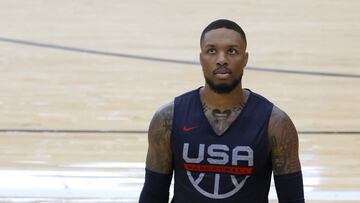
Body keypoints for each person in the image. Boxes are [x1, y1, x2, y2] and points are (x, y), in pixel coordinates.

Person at [139, 19, 304, 203]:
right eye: (211, 51)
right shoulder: (167, 118)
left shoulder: (276, 124)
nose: (222, 59)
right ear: (201, 58)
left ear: (245, 59)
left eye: (232, 51)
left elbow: (293, 199)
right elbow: (153, 195)